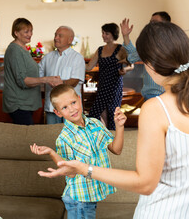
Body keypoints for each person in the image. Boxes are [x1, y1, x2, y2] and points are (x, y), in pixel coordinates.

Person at [36, 22, 189, 218]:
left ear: (150, 62)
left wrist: (84, 168)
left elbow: (145, 183)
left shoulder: (156, 108)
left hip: (161, 211)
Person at [30, 84, 126, 219]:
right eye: (64, 107)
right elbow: (69, 173)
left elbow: (116, 149)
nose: (71, 109)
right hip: (79, 199)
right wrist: (52, 152)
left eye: (73, 103)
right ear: (58, 113)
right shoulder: (64, 138)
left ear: (79, 99)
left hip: (91, 195)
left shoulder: (96, 123)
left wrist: (119, 126)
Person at [3, 18, 56, 125]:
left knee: (24, 136)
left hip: (25, 102)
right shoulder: (15, 50)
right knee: (27, 137)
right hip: (19, 103)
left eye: (31, 31)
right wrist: (46, 79)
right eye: (26, 31)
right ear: (16, 33)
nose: (30, 34)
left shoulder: (23, 48)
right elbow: (23, 81)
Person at [86, 23, 132, 130]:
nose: (103, 35)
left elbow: (131, 65)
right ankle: (105, 133)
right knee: (97, 111)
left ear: (113, 34)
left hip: (114, 86)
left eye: (106, 33)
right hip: (102, 85)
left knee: (112, 111)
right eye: (102, 33)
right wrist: (76, 63)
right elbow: (89, 67)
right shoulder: (100, 49)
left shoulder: (120, 49)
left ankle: (113, 136)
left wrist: (124, 69)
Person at [120, 11, 171, 101]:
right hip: (155, 95)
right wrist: (126, 36)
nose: (150, 25)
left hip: (157, 95)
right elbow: (135, 54)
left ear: (165, 25)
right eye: (150, 22)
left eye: (154, 22)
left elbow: (132, 57)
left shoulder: (163, 43)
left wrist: (126, 59)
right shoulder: (152, 41)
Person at [39, 26, 85, 124]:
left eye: (60, 36)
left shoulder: (77, 58)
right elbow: (38, 76)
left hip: (71, 110)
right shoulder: (47, 58)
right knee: (52, 136)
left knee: (71, 137)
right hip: (51, 107)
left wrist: (60, 82)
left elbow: (75, 81)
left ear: (70, 40)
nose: (56, 38)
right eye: (55, 35)